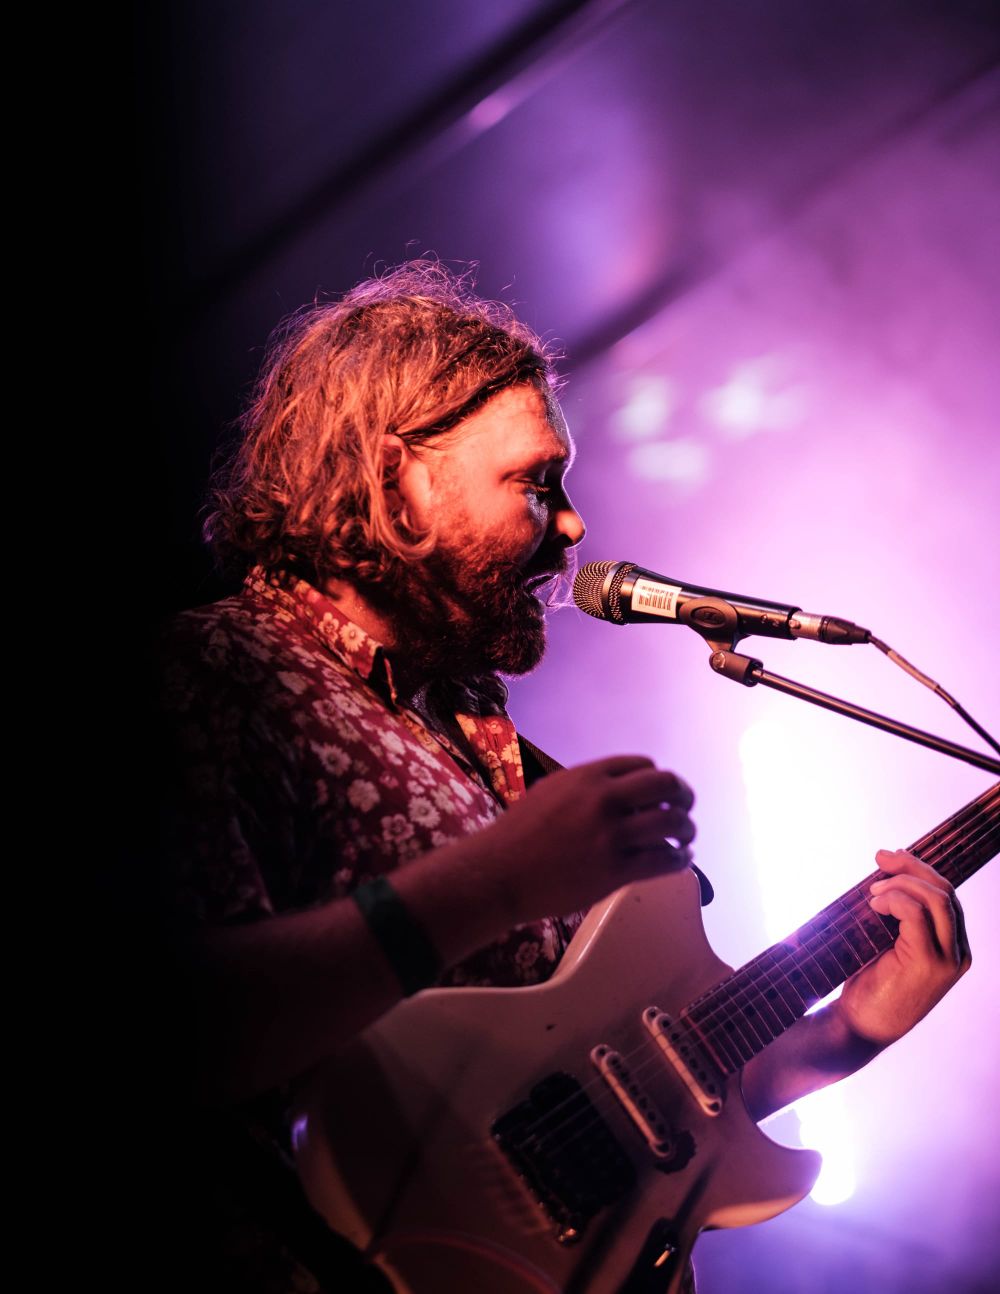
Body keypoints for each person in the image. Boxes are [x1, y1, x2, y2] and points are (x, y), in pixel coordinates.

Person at [159, 260, 970, 1291]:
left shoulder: (474, 739)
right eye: (536, 482)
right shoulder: (212, 676)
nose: (575, 527)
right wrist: (497, 880)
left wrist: (841, 1035)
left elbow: (586, 1121)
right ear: (395, 479)